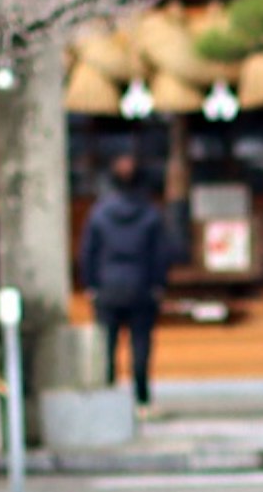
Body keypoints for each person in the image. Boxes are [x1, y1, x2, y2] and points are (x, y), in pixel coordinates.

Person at [77, 154, 186, 405]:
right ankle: (141, 397)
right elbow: (161, 253)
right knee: (141, 345)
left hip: (107, 286)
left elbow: (88, 251)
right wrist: (158, 284)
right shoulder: (151, 213)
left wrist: (90, 284)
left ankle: (108, 396)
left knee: (107, 347)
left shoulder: (100, 213)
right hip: (141, 286)